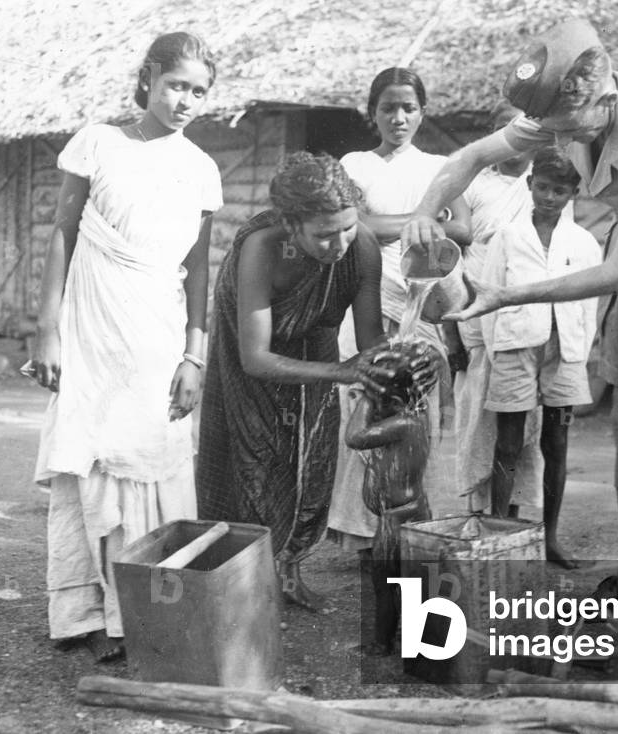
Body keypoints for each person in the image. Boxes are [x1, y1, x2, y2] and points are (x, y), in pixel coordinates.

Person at [401, 18, 618, 555]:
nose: (558, 142)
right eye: (552, 128)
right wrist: (423, 213)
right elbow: (470, 158)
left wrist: (505, 296)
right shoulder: (566, 109)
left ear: (605, 97)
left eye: (570, 130)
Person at [30, 31, 222, 662]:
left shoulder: (201, 170)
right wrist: (47, 330)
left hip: (157, 332)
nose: (185, 100)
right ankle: (88, 611)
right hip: (92, 327)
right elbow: (62, 234)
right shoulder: (99, 143)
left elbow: (199, 271)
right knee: (91, 463)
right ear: (148, 78)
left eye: (199, 91)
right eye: (176, 85)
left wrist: (195, 354)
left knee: (148, 455)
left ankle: (139, 611)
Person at [195, 152, 438, 613]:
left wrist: (401, 359)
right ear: (291, 225)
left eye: (347, 227)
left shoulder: (361, 246)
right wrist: (344, 371)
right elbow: (256, 357)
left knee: (312, 458)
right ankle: (247, 592)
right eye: (324, 235)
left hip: (316, 349)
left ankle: (289, 572)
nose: (340, 243)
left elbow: (370, 339)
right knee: (256, 464)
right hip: (251, 360)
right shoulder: (263, 249)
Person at [328, 67, 469, 551]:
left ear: (423, 112)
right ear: (373, 114)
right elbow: (355, 225)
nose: (399, 116)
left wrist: (395, 225)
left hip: (422, 296)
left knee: (418, 407)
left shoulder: (440, 167)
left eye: (409, 107)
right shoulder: (355, 164)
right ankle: (364, 534)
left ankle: (413, 530)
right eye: (388, 107)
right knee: (366, 402)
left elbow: (464, 228)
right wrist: (426, 220)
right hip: (367, 291)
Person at [481, 149, 601, 567]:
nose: (550, 197)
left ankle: (549, 538)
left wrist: (578, 355)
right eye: (544, 187)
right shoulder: (508, 236)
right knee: (508, 444)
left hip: (564, 350)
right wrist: (497, 351)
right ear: (531, 184)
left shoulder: (583, 243)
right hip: (515, 346)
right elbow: (491, 296)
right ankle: (497, 537)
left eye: (560, 191)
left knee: (558, 443)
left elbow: (591, 302)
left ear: (573, 194)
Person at [453, 99, 544, 517]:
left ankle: (512, 513)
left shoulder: (541, 184)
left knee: (522, 423)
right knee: (477, 415)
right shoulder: (473, 183)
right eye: (506, 129)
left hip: (524, 314)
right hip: (479, 308)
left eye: (525, 128)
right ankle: (477, 508)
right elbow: (459, 248)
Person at [344, 340, 431, 655]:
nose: (372, 412)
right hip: (398, 515)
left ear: (393, 400)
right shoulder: (409, 414)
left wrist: (366, 397)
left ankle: (393, 644)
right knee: (391, 583)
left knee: (396, 584)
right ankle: (397, 642)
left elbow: (354, 437)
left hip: (401, 517)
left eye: (378, 404)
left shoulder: (406, 424)